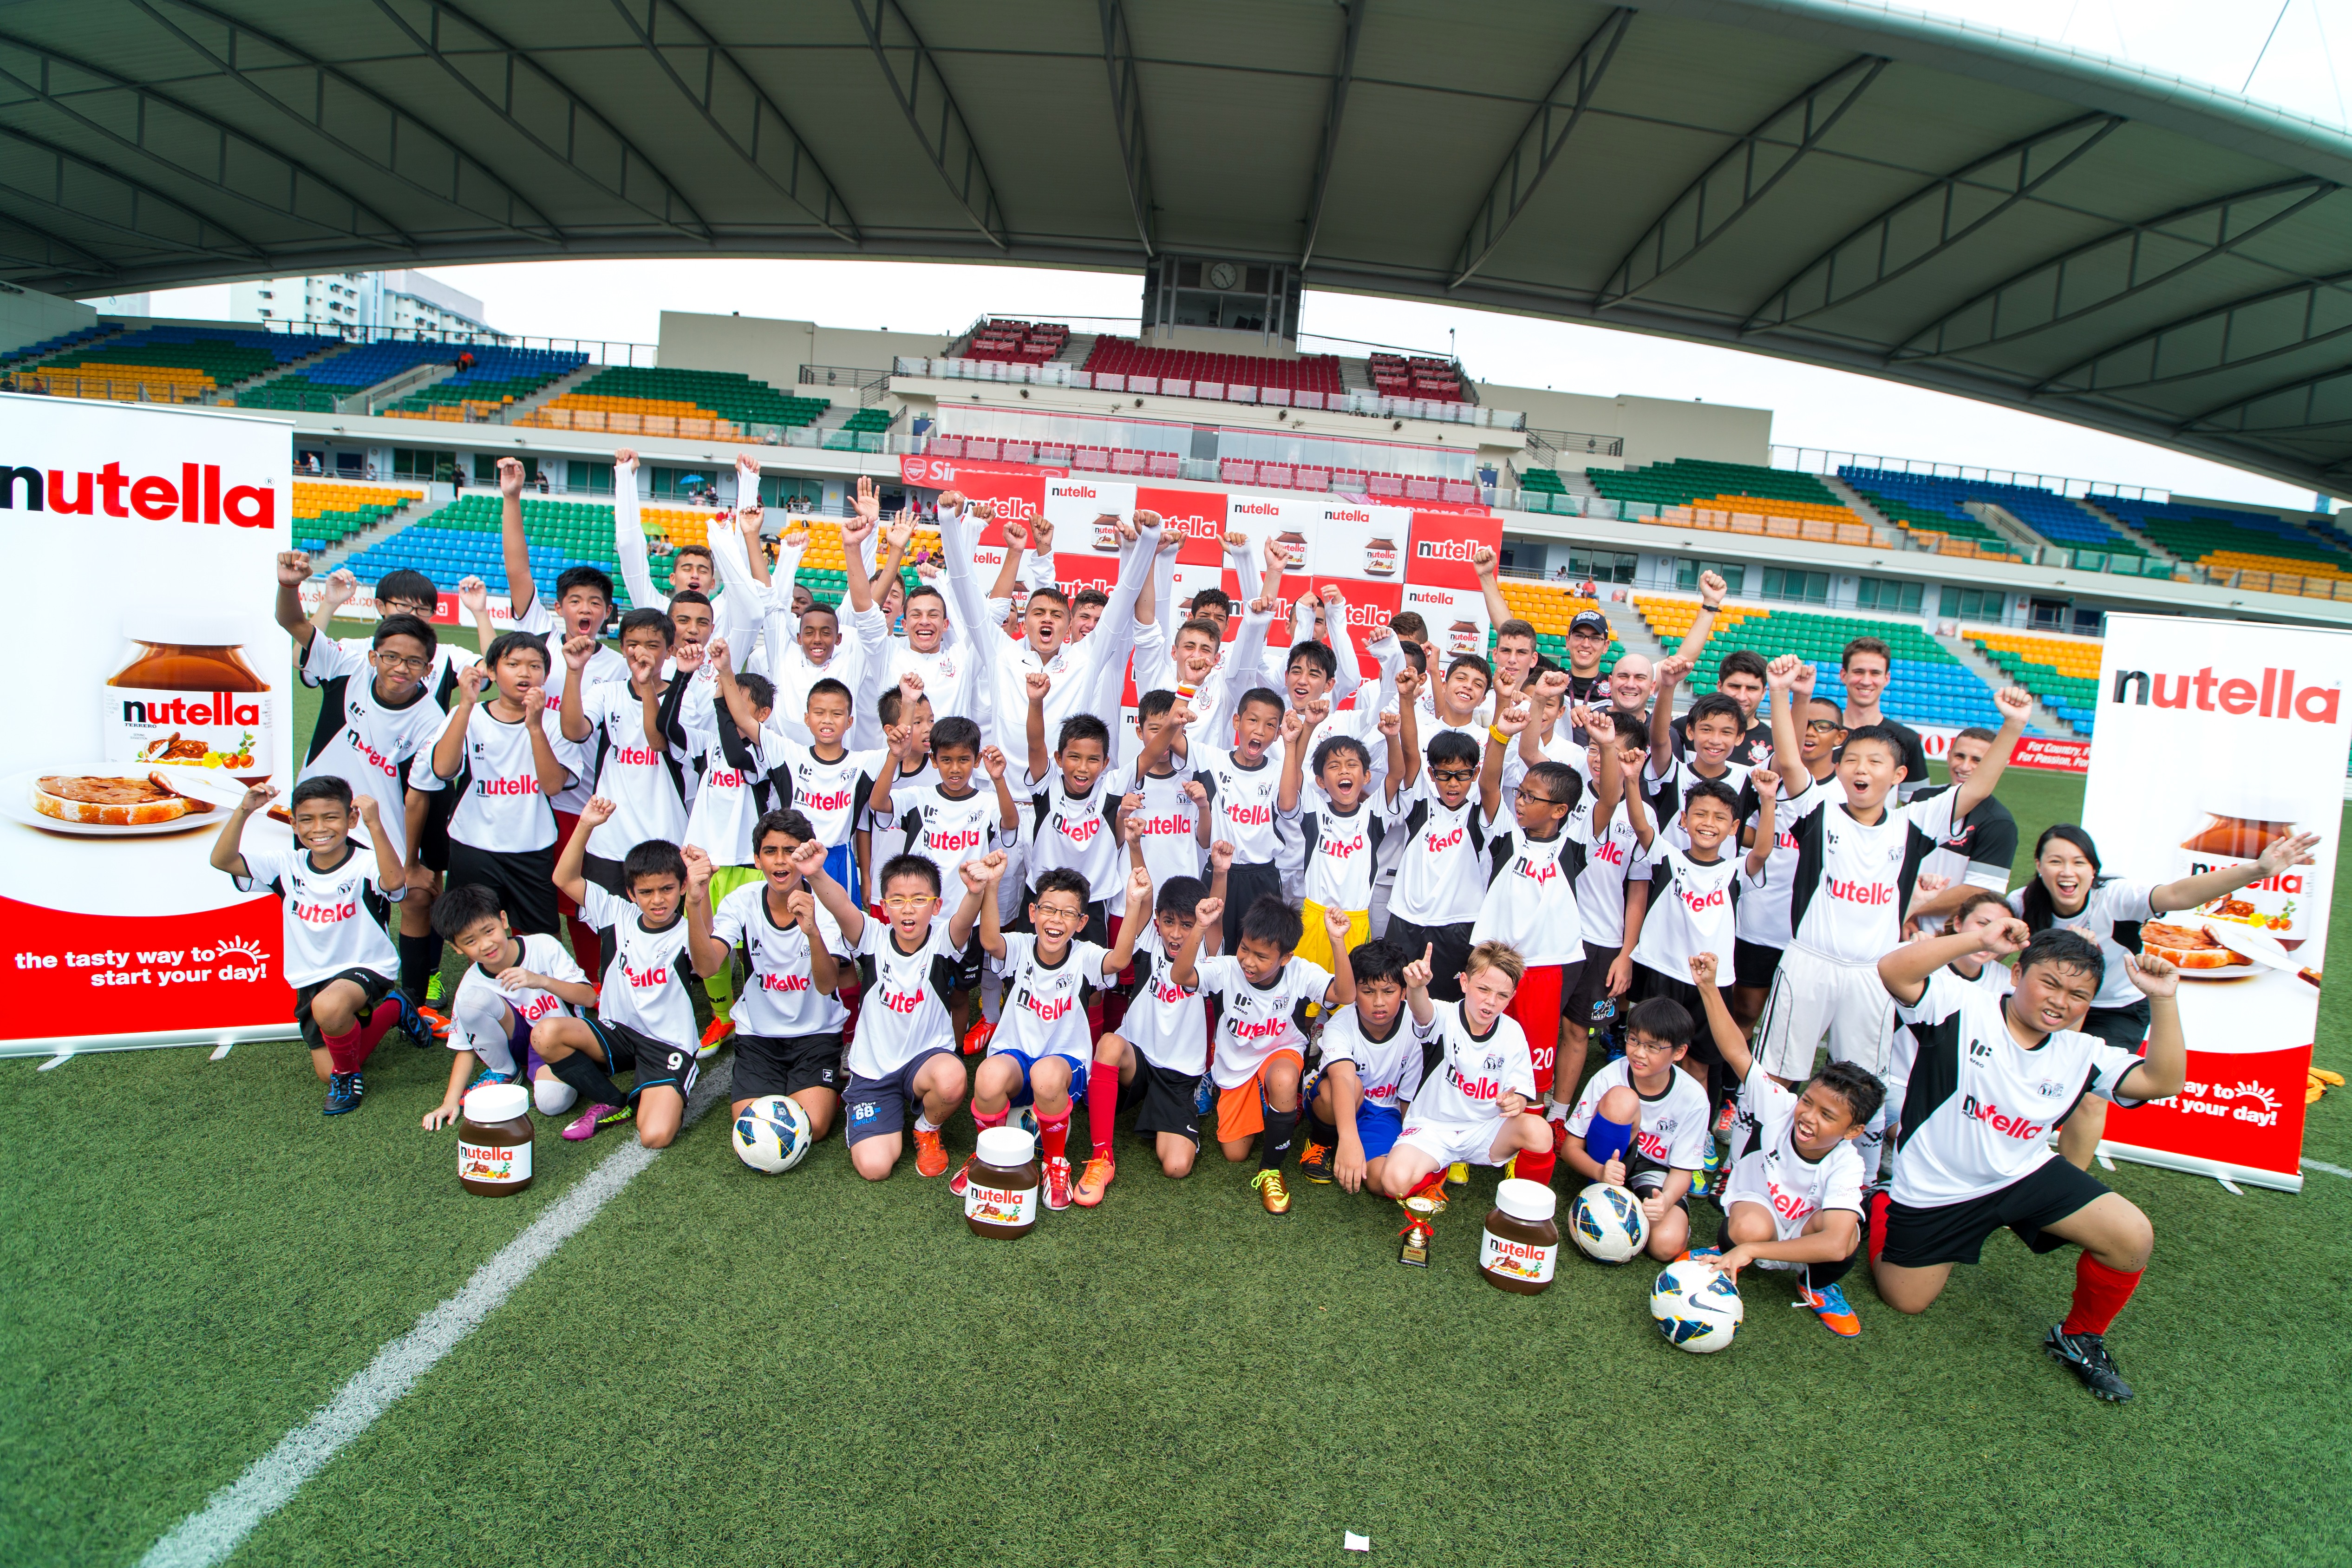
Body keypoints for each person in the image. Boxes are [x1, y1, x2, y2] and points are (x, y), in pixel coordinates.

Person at [1874, 921, 2185, 1401]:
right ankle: (1882, 1203)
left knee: (2132, 1235)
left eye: (2079, 995)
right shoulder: (1963, 1006)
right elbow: (1893, 969)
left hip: (2023, 1174)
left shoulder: (2083, 1051)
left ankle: (2079, 1337)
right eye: (2050, 983)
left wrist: (2163, 1000)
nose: (2061, 1001)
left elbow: (2162, 1082)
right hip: (1938, 1185)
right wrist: (1980, 940)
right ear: (2017, 974)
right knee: (1906, 1300)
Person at [1750, 657, 2033, 1181]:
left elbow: (1975, 790)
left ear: (1899, 775)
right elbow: (1790, 762)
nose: (1862, 770)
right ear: (1839, 767)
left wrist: (2013, 725)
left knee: (1862, 1086)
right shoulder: (1819, 810)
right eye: (1852, 760)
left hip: (1873, 975)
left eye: (1876, 762)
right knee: (1776, 1077)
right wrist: (1780, 692)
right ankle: (1753, 1166)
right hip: (1809, 964)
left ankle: (1855, 1181)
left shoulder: (1914, 822)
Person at [2009, 820, 2317, 1169]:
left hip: (2118, 1009)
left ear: (2094, 870)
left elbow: (2178, 895)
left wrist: (2258, 870)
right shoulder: (2021, 904)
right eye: (2056, 861)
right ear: (2039, 865)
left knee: (2090, 1095)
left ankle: (2065, 1185)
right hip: (2052, 1005)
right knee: (2027, 1079)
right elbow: (1981, 939)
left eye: (2079, 862)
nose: (2067, 872)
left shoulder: (2116, 896)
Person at [274, 555, 448, 999]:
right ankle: (327, 990)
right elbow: (293, 624)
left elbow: (418, 794)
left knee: (408, 901)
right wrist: (289, 587)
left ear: (428, 669)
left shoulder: (431, 720)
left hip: (379, 827)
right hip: (321, 813)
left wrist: (412, 860)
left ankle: (412, 1001)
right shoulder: (347, 665)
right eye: (391, 658)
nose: (400, 668)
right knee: (322, 903)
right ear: (374, 656)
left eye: (413, 662)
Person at [1683, 952, 1879, 1337]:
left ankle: (1815, 1285)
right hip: (1761, 1214)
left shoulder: (1847, 1163)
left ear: (1852, 1131)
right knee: (1747, 1227)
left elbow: (1834, 1244)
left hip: (1806, 1233)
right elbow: (1737, 1052)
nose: (1808, 1117)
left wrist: (1754, 1252)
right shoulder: (1780, 1106)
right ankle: (1728, 1252)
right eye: (1809, 1102)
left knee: (1847, 1236)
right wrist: (1708, 988)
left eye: (1827, 1115)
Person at [1472, 705, 1622, 1177]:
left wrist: (1607, 746)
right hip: (1494, 962)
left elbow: (1610, 797)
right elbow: (1489, 785)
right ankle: (1475, 1128)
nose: (1520, 803)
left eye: (1532, 798)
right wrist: (1500, 737)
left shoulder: (1574, 842)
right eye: (1521, 793)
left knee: (1535, 1060)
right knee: (1482, 1043)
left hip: (1547, 966)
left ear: (1560, 810)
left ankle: (1527, 1143)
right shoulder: (1505, 832)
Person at [211, 776, 417, 1116]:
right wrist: (244, 810)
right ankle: (396, 1008)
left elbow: (395, 881)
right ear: (294, 824)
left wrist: (375, 824)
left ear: (351, 819)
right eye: (307, 820)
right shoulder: (286, 864)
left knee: (330, 1012)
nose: (319, 828)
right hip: (312, 977)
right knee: (327, 1070)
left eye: (331, 817)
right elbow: (222, 860)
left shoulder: (365, 863)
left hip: (367, 966)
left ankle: (347, 1080)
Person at [498, 454, 629, 969]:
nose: (586, 608)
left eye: (596, 602)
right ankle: (532, 981)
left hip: (582, 801)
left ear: (607, 612)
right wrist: (512, 498)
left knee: (581, 903)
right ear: (559, 608)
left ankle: (595, 985)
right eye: (576, 600)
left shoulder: (618, 667)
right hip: (525, 796)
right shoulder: (537, 643)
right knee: (530, 901)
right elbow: (518, 570)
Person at [536, 803, 730, 1146]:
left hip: (665, 1046)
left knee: (655, 1136)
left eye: (667, 889)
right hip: (616, 1032)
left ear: (682, 886)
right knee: (545, 1034)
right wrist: (585, 825)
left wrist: (698, 898)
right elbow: (563, 879)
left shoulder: (688, 928)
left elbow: (707, 967)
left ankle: (654, 1087)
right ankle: (613, 1102)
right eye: (646, 892)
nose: (657, 900)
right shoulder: (616, 913)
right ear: (631, 893)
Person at [963, 862, 1150, 1208]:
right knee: (987, 1077)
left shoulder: (1084, 956)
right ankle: (988, 1156)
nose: (1056, 919)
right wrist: (992, 884)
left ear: (1081, 923)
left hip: (1063, 1068)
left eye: (1068, 913)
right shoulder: (1021, 947)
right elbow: (990, 940)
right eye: (1048, 909)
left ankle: (1054, 1163)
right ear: (1033, 913)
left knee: (1046, 1076)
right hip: (1017, 1060)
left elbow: (1119, 960)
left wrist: (1133, 902)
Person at [799, 845, 986, 1181]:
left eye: (919, 899)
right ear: (884, 907)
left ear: (937, 906)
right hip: (874, 1071)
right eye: (897, 900)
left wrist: (975, 892)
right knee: (875, 1168)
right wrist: (815, 873)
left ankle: (927, 1128)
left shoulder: (943, 941)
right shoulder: (872, 937)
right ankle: (882, 1112)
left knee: (952, 1078)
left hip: (924, 1064)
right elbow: (841, 906)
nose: (908, 908)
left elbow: (964, 920)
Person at [1170, 895, 1356, 1214]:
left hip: (1281, 1054)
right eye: (1245, 949)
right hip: (1236, 1066)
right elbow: (1180, 976)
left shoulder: (1299, 971)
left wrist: (1337, 941)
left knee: (1283, 1079)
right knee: (1234, 1153)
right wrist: (1200, 927)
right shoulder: (1228, 968)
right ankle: (1265, 1100)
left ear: (1285, 958)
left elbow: (1346, 994)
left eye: (1261, 956)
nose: (1248, 962)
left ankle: (1271, 1169)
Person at [1077, 854, 1234, 1206]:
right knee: (1109, 1044)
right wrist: (1135, 844)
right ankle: (1101, 1156)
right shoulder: (1150, 939)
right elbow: (1145, 893)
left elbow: (1215, 915)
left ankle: (1184, 1107)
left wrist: (1221, 873)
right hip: (1138, 1058)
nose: (1176, 934)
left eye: (1187, 925)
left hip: (1178, 1074)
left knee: (1177, 1167)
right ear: (1159, 921)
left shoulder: (1208, 955)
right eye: (1169, 922)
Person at [1615, 767, 1770, 1114]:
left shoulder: (1734, 871)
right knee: (1651, 1056)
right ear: (1684, 820)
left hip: (1711, 984)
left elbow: (1762, 852)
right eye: (1700, 814)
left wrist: (1769, 799)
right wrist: (1632, 779)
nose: (1708, 823)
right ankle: (1644, 1122)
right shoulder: (1668, 856)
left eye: (1720, 817)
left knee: (1699, 1064)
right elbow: (1641, 825)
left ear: (1734, 828)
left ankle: (1696, 1130)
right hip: (1663, 972)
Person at [710, 809, 854, 1144]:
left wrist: (812, 932)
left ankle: (826, 1079)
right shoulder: (741, 902)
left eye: (790, 851)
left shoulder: (826, 904)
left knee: (813, 1127)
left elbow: (826, 985)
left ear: (805, 856)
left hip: (816, 1032)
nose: (780, 860)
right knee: (751, 1127)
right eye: (770, 851)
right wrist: (695, 902)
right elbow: (706, 967)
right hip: (759, 1035)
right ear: (757, 859)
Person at [870, 712, 1017, 1037]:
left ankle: (953, 1050)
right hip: (922, 917)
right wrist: (894, 757)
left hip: (966, 919)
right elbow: (878, 803)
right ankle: (913, 1042)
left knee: (960, 994)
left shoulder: (987, 802)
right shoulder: (918, 797)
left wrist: (999, 779)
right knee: (917, 988)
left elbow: (1010, 823)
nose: (955, 769)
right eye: (947, 760)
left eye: (964, 760)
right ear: (933, 761)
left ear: (976, 761)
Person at [1376, 941, 1553, 1199]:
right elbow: (1422, 1011)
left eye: (1502, 996)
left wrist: (1516, 1102)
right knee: (1394, 1182)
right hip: (1433, 1129)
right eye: (1483, 989)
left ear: (1513, 996)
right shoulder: (1444, 1016)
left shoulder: (1513, 1032)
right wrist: (1417, 988)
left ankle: (1528, 1206)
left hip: (1486, 1129)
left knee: (1539, 1131)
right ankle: (1438, 1170)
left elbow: (1522, 1095)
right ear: (1464, 983)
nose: (1491, 1002)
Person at [427, 634, 575, 941]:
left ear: (546, 675)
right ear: (492, 672)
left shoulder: (554, 723)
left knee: (544, 939)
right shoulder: (468, 715)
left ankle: (537, 977)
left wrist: (534, 727)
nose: (525, 673)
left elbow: (552, 786)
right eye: (513, 664)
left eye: (535, 666)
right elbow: (443, 769)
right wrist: (465, 706)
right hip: (474, 845)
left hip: (532, 847)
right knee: (475, 931)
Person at [423, 882, 596, 1129]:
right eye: (470, 941)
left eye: (489, 931)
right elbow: (466, 1046)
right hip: (521, 1043)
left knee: (552, 1103)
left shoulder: (543, 946)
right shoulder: (470, 983)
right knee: (473, 1001)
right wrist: (450, 1101)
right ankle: (505, 1071)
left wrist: (541, 981)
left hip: (561, 1040)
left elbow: (588, 998)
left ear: (503, 920)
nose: (485, 944)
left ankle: (563, 1069)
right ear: (456, 948)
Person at [1560, 994, 1710, 1261]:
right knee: (1622, 1099)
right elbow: (1570, 1148)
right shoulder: (1609, 1076)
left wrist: (1666, 1201)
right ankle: (1599, 1192)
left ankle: (1644, 1205)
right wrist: (1599, 1171)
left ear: (1678, 1053)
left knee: (1666, 1246)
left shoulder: (1695, 1098)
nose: (1639, 1053)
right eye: (1634, 1040)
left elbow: (1683, 1171)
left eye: (1653, 1047)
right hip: (1608, 1162)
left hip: (1654, 1173)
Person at [1727, 690, 1843, 1032]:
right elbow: (1741, 831)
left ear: (1840, 737)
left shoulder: (1847, 793)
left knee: (1796, 1022)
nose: (1810, 732)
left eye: (1822, 726)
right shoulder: (1767, 775)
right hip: (1760, 917)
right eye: (1804, 724)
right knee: (1745, 1010)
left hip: (1814, 929)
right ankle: (1734, 1068)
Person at [1299, 938, 1435, 1193]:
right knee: (1350, 1086)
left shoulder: (1418, 1024)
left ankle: (1362, 1144)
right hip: (1336, 1095)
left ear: (1404, 992)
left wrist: (1413, 1142)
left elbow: (1407, 1099)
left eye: (1388, 992)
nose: (1379, 1002)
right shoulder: (1340, 1024)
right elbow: (1342, 1079)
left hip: (1383, 1111)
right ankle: (1321, 1142)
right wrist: (1349, 1140)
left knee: (1382, 1182)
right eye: (1368, 992)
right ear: (1354, 992)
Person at [1277, 719, 1398, 989]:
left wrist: (1393, 737)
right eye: (1334, 766)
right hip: (1314, 919)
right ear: (1320, 781)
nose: (1344, 770)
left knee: (1348, 998)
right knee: (1305, 996)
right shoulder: (1315, 810)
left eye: (1352, 765)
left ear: (1366, 777)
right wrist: (1305, 731)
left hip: (1356, 922)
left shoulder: (1374, 813)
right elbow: (1290, 789)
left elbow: (1397, 775)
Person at [1192, 686, 1289, 952]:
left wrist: (1299, 739)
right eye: (1253, 720)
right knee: (1210, 952)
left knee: (1260, 953)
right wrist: (1188, 685)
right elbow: (1172, 739)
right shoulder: (1212, 759)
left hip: (1263, 879)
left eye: (1270, 725)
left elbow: (1290, 804)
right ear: (1237, 722)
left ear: (1278, 734)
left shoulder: (1281, 772)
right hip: (1220, 873)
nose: (1260, 730)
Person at [1904, 726, 2020, 934]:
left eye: (1977, 760)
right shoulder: (1923, 798)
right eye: (1960, 756)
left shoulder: (2000, 823)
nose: (1965, 767)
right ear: (1949, 756)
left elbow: (1977, 892)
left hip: (1945, 936)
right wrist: (1905, 917)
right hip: (1900, 924)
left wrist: (1907, 909)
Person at [1663, 572, 1772, 764]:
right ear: (1720, 686)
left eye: (1752, 689)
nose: (1742, 696)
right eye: (1735, 686)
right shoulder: (1686, 728)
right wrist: (1710, 604)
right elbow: (1659, 744)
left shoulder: (1774, 743)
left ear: (1764, 692)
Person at [1835, 637, 1930, 800]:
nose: (1866, 681)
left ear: (1887, 678)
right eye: (1859, 672)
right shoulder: (1822, 734)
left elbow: (1919, 806)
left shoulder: (1907, 739)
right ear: (1844, 675)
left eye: (1875, 673)